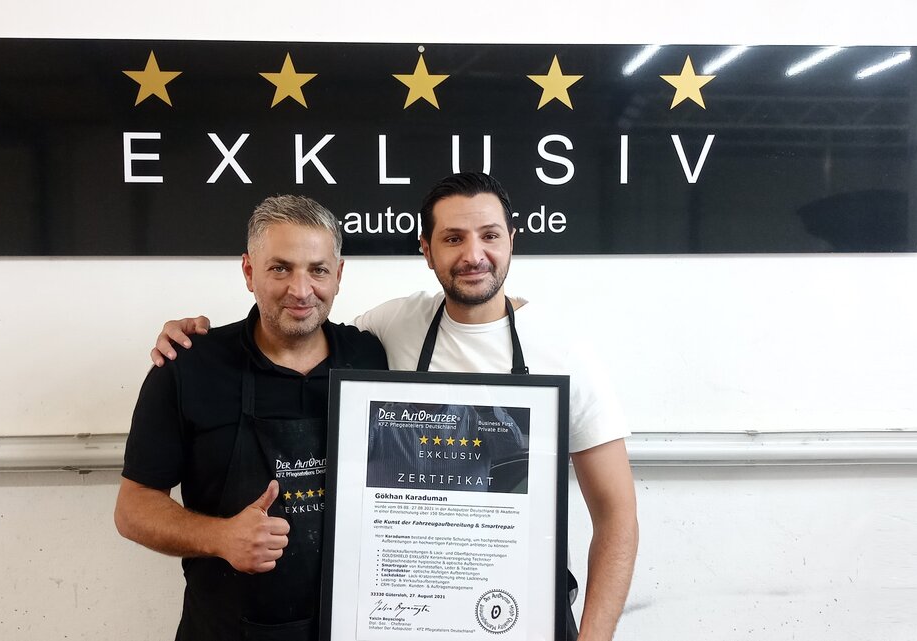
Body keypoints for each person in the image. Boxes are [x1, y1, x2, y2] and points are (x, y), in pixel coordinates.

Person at [153, 173, 638, 641]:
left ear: (512, 240)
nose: (474, 255)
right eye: (453, 238)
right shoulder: (391, 327)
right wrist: (194, 340)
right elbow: (300, 324)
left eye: (490, 235)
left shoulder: (563, 351)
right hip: (410, 610)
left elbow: (616, 517)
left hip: (520, 614)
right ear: (426, 250)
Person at [115, 195, 388, 641]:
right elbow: (132, 509)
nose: (301, 290)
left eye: (318, 270)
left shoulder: (372, 358)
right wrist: (221, 537)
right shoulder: (189, 367)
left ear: (338, 275)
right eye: (280, 268)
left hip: (352, 628)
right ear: (248, 271)